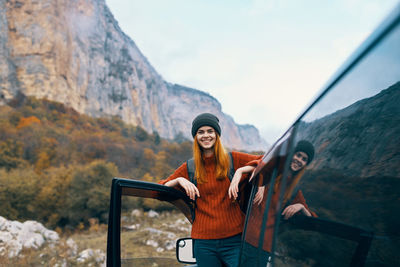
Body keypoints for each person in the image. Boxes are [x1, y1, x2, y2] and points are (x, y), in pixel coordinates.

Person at [159, 113, 261, 267]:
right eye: (200, 132)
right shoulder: (189, 168)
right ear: (195, 137)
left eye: (210, 131)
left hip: (235, 240)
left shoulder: (233, 159)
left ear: (216, 134)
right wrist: (178, 180)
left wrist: (241, 171)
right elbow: (158, 190)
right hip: (203, 244)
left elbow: (267, 161)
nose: (205, 135)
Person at [228, 140, 317, 266]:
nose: (299, 160)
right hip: (242, 239)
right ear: (291, 154)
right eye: (298, 155)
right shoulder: (271, 171)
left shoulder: (294, 190)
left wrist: (301, 206)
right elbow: (256, 163)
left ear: (305, 164)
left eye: (304, 159)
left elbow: (312, 221)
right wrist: (258, 178)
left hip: (264, 248)